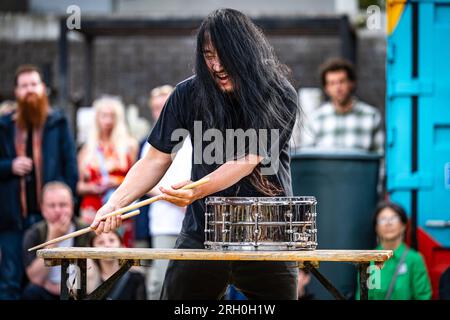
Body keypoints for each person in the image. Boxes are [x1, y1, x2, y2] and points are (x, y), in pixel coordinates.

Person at [91, 8, 299, 300]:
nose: (216, 66)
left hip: (267, 231)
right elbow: (154, 158)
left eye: (224, 54)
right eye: (208, 55)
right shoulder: (186, 94)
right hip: (203, 231)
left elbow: (247, 160)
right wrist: (115, 203)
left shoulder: (278, 93)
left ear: (246, 51)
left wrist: (195, 190)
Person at [0, 64, 78, 300]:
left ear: (43, 88)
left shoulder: (58, 122)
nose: (30, 90)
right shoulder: (4, 126)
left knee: (51, 278)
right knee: (11, 281)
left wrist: (66, 204)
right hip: (14, 218)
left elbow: (70, 166)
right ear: (16, 92)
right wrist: (9, 166)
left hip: (49, 218)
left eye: (34, 84)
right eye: (24, 86)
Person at [137, 85, 192, 300]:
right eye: (157, 108)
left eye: (165, 106)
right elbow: (144, 182)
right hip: (164, 223)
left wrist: (192, 196)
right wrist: (173, 196)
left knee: (193, 282)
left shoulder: (193, 141)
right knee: (160, 281)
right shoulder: (150, 145)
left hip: (193, 220)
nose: (161, 112)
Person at [77, 96, 138, 246]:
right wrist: (93, 187)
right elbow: (79, 186)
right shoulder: (87, 149)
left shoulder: (129, 145)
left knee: (120, 250)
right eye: (104, 115)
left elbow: (139, 178)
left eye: (112, 116)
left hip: (120, 206)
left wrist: (115, 182)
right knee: (92, 250)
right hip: (92, 206)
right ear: (97, 118)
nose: (108, 120)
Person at [22, 182, 92, 300]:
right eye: (52, 205)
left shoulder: (85, 230)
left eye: (63, 205)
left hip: (78, 291)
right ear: (43, 208)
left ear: (72, 206)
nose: (58, 210)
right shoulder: (34, 233)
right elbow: (35, 279)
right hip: (46, 290)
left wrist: (69, 288)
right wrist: (52, 240)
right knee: (31, 292)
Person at [300, 58, 384, 153]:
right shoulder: (315, 119)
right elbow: (307, 158)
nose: (338, 88)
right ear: (326, 88)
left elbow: (379, 157)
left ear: (352, 83)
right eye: (332, 83)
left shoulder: (371, 116)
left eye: (342, 81)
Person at [356, 201, 432, 300]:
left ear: (403, 225)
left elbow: (423, 297)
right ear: (376, 227)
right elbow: (362, 297)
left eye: (393, 218)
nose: (388, 223)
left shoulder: (414, 259)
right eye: (382, 220)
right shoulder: (369, 261)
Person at [86, 230, 146, 300]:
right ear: (92, 249)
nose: (107, 245)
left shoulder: (136, 277)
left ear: (121, 245)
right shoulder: (84, 280)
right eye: (101, 242)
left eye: (112, 240)